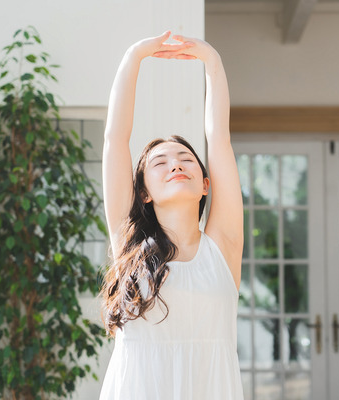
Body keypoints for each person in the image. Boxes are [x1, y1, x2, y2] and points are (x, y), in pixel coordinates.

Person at [98, 30, 244, 400]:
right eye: (159, 163)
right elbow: (116, 140)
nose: (175, 165)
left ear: (206, 184)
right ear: (143, 193)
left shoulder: (222, 249)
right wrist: (134, 57)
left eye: (185, 160)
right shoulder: (130, 248)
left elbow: (219, 137)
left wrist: (213, 62)